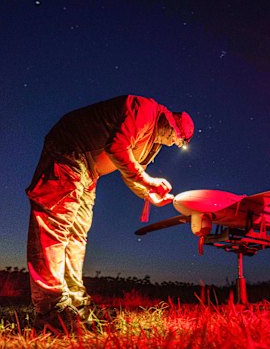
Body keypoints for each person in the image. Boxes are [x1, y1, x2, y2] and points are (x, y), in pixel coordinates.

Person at [26, 95, 194, 332]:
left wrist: (148, 193)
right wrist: (148, 181)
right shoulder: (145, 111)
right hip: (69, 152)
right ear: (170, 123)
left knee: (76, 234)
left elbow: (131, 169)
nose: (174, 143)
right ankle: (50, 309)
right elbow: (117, 149)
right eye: (177, 138)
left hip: (89, 172)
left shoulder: (151, 141)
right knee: (54, 223)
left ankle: (75, 302)